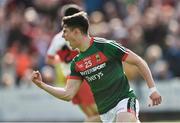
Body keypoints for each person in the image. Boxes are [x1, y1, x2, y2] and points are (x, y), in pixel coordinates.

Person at [32, 11, 162, 122]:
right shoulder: (76, 63)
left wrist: (152, 90)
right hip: (105, 113)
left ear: (77, 32)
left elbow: (139, 61)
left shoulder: (105, 46)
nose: (64, 36)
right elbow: (68, 94)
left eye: (66, 32)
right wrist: (42, 85)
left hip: (124, 100)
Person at [45, 4, 100, 122]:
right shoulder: (78, 36)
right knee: (98, 112)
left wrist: (63, 62)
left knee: (91, 115)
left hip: (69, 79)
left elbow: (49, 59)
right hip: (83, 78)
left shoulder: (57, 39)